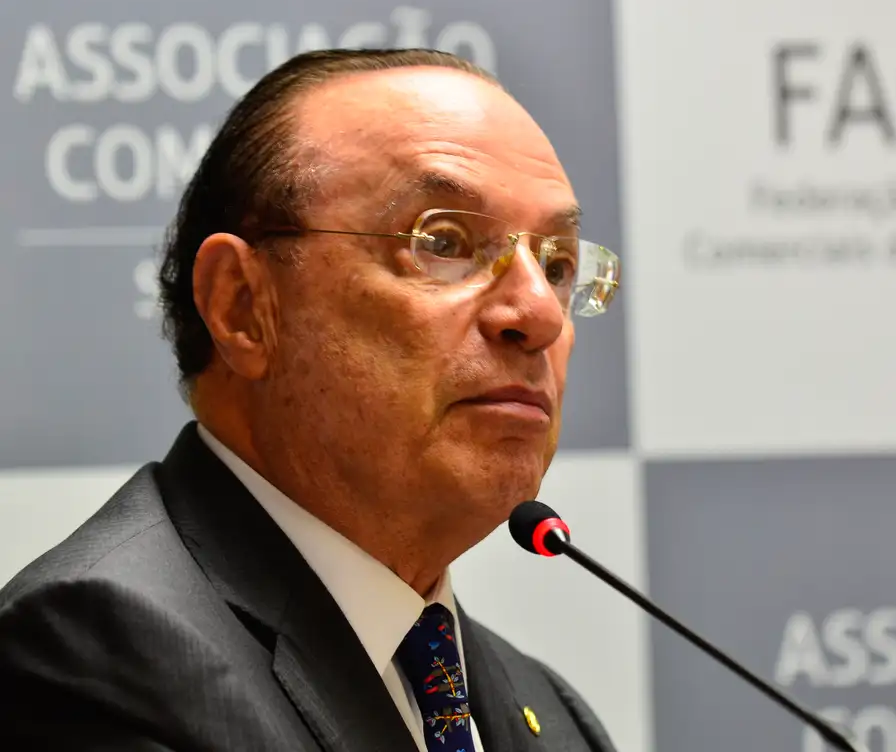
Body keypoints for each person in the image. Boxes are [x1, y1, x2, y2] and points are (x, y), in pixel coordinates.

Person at [0, 48, 621, 751]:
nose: (538, 314)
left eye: (558, 264)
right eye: (443, 242)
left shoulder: (554, 716)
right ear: (242, 306)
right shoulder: (97, 657)